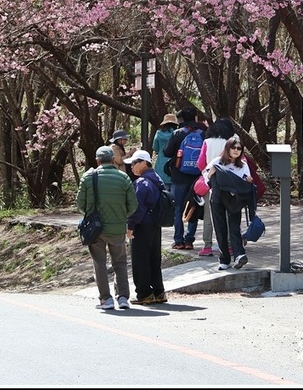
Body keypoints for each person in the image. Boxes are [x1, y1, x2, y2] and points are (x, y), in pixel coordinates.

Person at [75, 145, 137, 310]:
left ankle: (106, 299)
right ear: (113, 159)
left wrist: (90, 213)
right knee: (120, 262)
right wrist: (121, 216)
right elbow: (133, 205)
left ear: (97, 161)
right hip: (117, 229)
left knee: (99, 263)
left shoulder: (88, 177)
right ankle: (123, 297)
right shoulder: (124, 178)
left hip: (95, 230)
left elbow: (80, 203)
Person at [124, 150, 167, 304]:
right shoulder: (157, 179)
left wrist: (130, 226)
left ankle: (144, 294)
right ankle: (159, 292)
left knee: (140, 260)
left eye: (134, 163)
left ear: (143, 163)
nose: (132, 167)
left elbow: (137, 208)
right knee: (154, 259)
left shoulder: (141, 183)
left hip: (142, 225)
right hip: (155, 224)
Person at [162, 108, 206, 250]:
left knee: (178, 208)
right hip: (196, 178)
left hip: (179, 177)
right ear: (194, 117)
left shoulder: (178, 133)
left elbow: (167, 152)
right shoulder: (202, 133)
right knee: (193, 207)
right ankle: (189, 241)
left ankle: (178, 240)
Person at [208, 135, 255, 271]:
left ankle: (239, 255)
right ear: (227, 148)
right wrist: (211, 173)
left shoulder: (243, 165)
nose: (236, 150)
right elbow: (207, 179)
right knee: (220, 229)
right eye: (233, 147)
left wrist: (248, 181)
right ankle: (224, 259)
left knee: (234, 227)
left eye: (239, 148)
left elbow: (245, 182)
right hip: (217, 199)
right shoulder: (217, 162)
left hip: (235, 200)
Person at [193, 117, 236, 257]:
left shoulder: (207, 142)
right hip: (229, 182)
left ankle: (207, 246)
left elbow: (200, 163)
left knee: (209, 215)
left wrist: (206, 173)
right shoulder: (231, 142)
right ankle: (229, 246)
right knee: (228, 214)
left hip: (211, 182)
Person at [151, 113, 178, 189]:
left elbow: (155, 148)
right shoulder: (177, 134)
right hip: (174, 165)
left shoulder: (158, 133)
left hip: (161, 165)